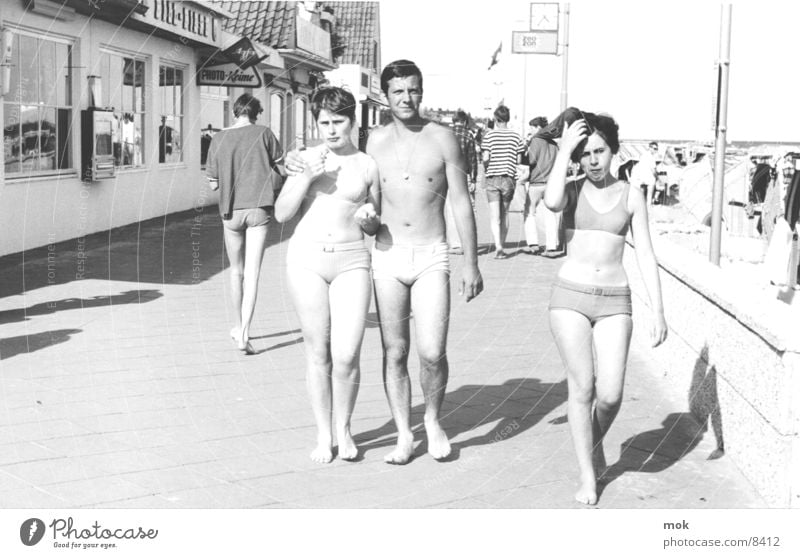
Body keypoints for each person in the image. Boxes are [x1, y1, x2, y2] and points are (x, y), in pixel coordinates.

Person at [543, 112, 668, 505]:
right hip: (570, 299)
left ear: (614, 151)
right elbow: (550, 201)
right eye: (585, 154)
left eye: (600, 151)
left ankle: (591, 444)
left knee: (610, 394)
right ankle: (587, 474)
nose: (593, 160)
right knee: (582, 387)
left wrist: (659, 311)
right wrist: (564, 151)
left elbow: (646, 254)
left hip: (616, 301)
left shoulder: (633, 196)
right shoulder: (572, 190)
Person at [275, 87, 380, 464]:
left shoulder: (368, 164)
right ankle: (324, 434)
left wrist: (370, 220)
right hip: (307, 260)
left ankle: (344, 428)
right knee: (319, 352)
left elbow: (376, 221)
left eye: (338, 122)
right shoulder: (305, 158)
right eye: (323, 122)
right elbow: (282, 213)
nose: (331, 130)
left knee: (347, 354)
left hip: (352, 261)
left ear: (352, 121)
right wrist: (306, 178)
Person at [206, 93, 284, 355]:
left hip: (231, 211)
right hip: (259, 208)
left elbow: (213, 183)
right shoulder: (264, 133)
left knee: (236, 272)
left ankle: (237, 324)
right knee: (253, 273)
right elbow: (283, 169)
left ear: (235, 112)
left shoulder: (218, 138)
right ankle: (244, 334)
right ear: (256, 113)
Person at [482, 105, 524, 258]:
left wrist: (488, 165)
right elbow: (519, 159)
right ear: (508, 118)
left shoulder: (489, 136)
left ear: (496, 119)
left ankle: (498, 247)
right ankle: (503, 245)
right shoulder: (516, 136)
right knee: (505, 214)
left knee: (495, 217)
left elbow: (486, 158)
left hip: (493, 178)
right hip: (509, 178)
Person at [523, 115, 563, 257]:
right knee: (551, 214)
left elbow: (531, 160)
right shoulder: (554, 144)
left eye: (532, 127)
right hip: (551, 183)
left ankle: (533, 244)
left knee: (529, 212)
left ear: (538, 127)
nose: (531, 130)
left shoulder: (536, 140)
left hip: (536, 182)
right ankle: (551, 246)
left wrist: (525, 152)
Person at [445, 110, 478, 254]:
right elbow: (472, 159)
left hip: (447, 175)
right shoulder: (468, 135)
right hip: (463, 175)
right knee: (466, 208)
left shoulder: (447, 134)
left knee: (450, 210)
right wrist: (474, 177)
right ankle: (469, 242)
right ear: (464, 121)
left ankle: (456, 244)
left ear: (453, 121)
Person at [630, 141, 659, 205]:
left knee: (642, 197)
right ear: (650, 148)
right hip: (650, 178)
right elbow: (653, 171)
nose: (655, 150)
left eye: (656, 149)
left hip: (642, 178)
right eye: (654, 148)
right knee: (649, 196)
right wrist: (658, 178)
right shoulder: (651, 157)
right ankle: (649, 209)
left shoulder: (643, 155)